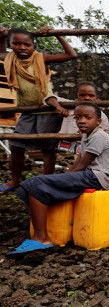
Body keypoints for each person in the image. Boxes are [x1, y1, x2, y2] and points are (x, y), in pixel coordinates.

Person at [9, 102, 109, 255]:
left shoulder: (99, 136)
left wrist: (61, 178)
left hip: (98, 177)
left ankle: (41, 238)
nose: (82, 121)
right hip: (89, 175)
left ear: (98, 121)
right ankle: (41, 235)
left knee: (35, 183)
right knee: (33, 184)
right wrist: (63, 176)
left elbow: (83, 165)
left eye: (88, 117)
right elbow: (78, 162)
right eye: (78, 117)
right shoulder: (87, 135)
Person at [0, 26, 77, 192]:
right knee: (16, 144)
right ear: (11, 44)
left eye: (27, 44)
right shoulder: (10, 59)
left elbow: (71, 55)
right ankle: (15, 180)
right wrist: (1, 36)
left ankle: (46, 180)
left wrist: (57, 34)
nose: (22, 47)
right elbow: (1, 54)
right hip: (27, 110)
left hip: (47, 107)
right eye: (16, 43)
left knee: (48, 148)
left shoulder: (41, 59)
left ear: (33, 46)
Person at [44, 81, 109, 152]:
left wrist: (88, 133)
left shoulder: (101, 115)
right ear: (77, 95)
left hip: (87, 149)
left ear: (96, 97)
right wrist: (58, 107)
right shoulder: (69, 105)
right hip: (64, 146)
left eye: (91, 95)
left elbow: (107, 135)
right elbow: (49, 98)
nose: (87, 98)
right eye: (82, 95)